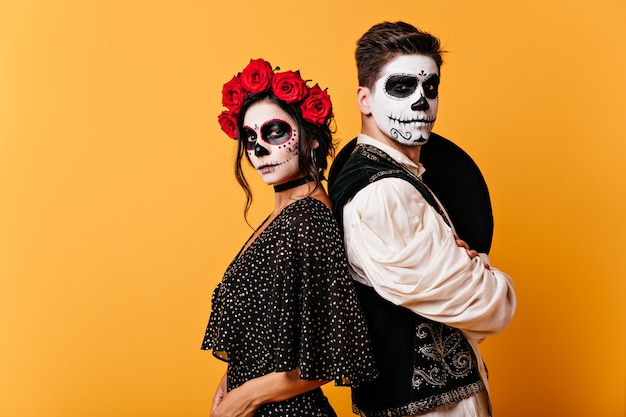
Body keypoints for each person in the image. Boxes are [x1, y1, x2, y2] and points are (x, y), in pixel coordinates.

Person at [329, 22, 517, 417]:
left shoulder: (399, 178)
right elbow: (493, 305)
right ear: (364, 98)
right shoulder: (384, 193)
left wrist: (460, 265)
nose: (421, 102)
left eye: (429, 88)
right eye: (401, 87)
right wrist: (481, 269)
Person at [202, 58, 378, 417]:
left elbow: (331, 354)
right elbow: (266, 332)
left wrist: (244, 397)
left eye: (275, 132)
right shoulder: (282, 216)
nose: (259, 150)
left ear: (311, 137)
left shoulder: (308, 218)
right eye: (250, 138)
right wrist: (230, 382)